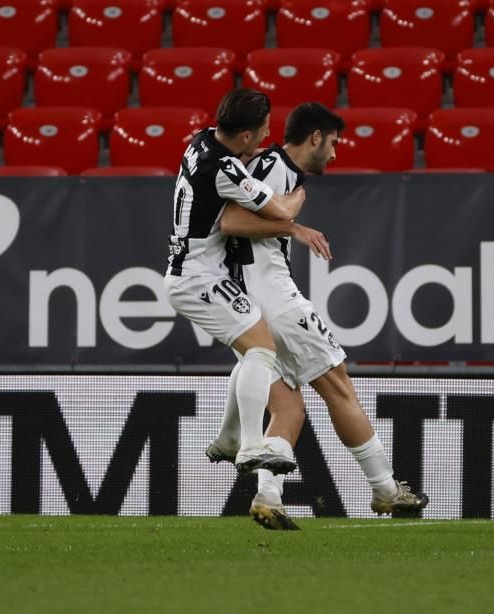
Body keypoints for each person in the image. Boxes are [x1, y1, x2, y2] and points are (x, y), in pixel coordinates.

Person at [209, 102, 430, 530]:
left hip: (248, 308)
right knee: (339, 388)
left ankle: (267, 497)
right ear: (314, 138)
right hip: (276, 301)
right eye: (332, 143)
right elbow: (231, 221)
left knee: (289, 408)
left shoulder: (270, 168)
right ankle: (386, 489)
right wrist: (293, 225)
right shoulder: (274, 167)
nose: (334, 154)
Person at [165, 88, 307, 475]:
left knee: (253, 348)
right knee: (262, 348)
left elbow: (235, 162)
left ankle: (229, 439)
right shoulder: (224, 171)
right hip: (199, 278)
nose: (267, 135)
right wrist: (297, 193)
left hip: (192, 271)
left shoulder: (202, 140)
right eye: (263, 130)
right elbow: (277, 210)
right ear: (245, 135)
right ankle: (248, 447)